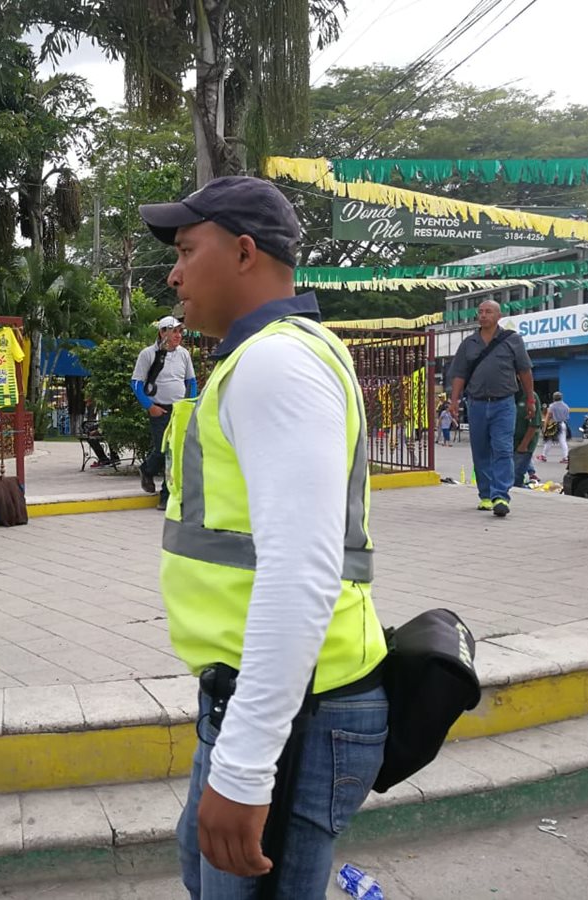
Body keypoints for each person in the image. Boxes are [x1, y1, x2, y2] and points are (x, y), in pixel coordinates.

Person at [139, 176, 388, 899]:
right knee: (202, 870)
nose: (174, 273)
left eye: (187, 249)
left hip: (300, 709)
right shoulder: (269, 357)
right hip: (272, 695)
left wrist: (247, 765)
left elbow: (301, 572)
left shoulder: (276, 364)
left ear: (245, 252)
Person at [448, 300, 534, 518]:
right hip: (476, 403)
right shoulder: (469, 343)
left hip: (504, 403)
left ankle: (501, 496)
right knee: (481, 450)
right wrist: (454, 401)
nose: (483, 315)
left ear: (498, 316)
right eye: (480, 312)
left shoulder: (512, 340)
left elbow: (525, 371)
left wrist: (530, 399)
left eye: (488, 312)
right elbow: (459, 374)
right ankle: (485, 495)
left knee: (503, 448)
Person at [131, 315, 197, 510]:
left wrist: (190, 403)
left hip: (179, 409)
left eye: (180, 332)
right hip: (160, 408)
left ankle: (166, 495)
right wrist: (149, 406)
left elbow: (191, 381)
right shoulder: (149, 354)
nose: (178, 336)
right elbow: (136, 383)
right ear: (162, 333)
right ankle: (147, 469)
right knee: (162, 449)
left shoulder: (183, 354)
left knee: (174, 453)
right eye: (174, 331)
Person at [513, 386, 543, 488]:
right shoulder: (508, 397)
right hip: (509, 442)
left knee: (516, 477)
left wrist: (524, 445)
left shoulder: (531, 397)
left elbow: (535, 424)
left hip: (524, 444)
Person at [542, 390, 571, 463]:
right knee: (563, 441)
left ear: (553, 398)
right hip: (563, 424)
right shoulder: (566, 406)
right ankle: (565, 457)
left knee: (549, 440)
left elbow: (548, 417)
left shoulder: (552, 406)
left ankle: (544, 456)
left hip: (553, 424)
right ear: (561, 398)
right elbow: (567, 417)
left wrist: (544, 427)